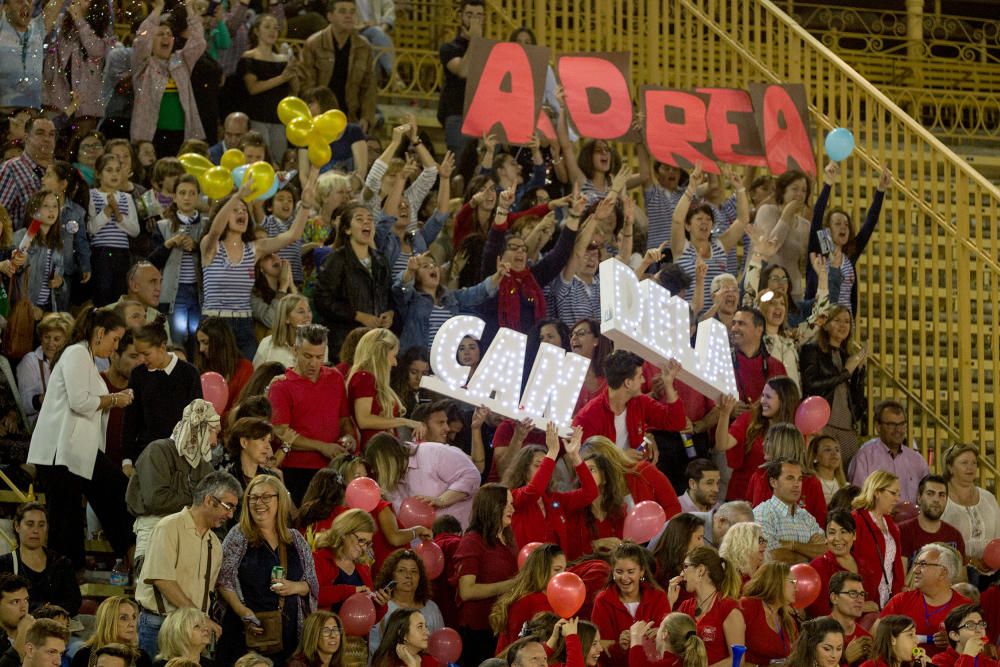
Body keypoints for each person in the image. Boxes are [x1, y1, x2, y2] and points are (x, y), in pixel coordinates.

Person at [26, 306, 134, 569]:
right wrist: (114, 399)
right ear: (99, 333)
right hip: (59, 454)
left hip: (78, 453)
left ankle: (128, 552)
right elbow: (79, 402)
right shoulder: (76, 352)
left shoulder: (85, 356)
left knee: (116, 493)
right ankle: (67, 580)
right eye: (115, 338)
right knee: (66, 524)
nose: (115, 345)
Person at [199, 174, 311, 361]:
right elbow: (215, 230)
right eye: (235, 210)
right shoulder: (211, 246)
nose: (242, 213)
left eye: (244, 210)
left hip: (244, 323)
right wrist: (237, 196)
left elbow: (292, 236)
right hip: (214, 324)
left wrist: (306, 206)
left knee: (250, 378)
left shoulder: (254, 249)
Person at [134, 471, 239, 658]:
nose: (230, 515)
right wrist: (201, 618)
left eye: (233, 509)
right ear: (209, 500)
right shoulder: (168, 527)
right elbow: (162, 580)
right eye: (228, 506)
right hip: (160, 623)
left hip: (194, 631)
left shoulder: (214, 544)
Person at [217, 475, 318, 665]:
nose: (258, 503)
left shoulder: (295, 539)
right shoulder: (238, 535)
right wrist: (243, 612)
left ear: (279, 500)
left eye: (266, 497)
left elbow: (311, 585)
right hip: (245, 637)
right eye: (253, 497)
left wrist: (293, 587)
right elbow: (223, 579)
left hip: (288, 641)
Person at [125, 399, 219, 562]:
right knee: (151, 587)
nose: (214, 442)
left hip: (192, 536)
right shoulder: (158, 451)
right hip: (154, 532)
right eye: (212, 431)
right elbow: (156, 500)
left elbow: (213, 507)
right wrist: (198, 501)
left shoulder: (205, 467)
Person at [268, 324, 354, 503]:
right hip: (296, 469)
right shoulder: (281, 387)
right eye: (307, 356)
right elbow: (281, 433)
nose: (313, 363)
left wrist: (350, 438)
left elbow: (344, 419)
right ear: (295, 350)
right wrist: (322, 446)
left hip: (333, 467)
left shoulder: (335, 378)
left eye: (319, 357)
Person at [573, 351, 685, 461]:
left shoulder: (640, 401)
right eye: (640, 376)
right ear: (628, 383)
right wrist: (620, 456)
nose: (644, 380)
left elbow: (676, 422)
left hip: (635, 471)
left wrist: (668, 384)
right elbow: (582, 458)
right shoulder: (588, 416)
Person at [122, 316, 202, 464]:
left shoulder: (189, 373)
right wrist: (127, 460)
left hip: (180, 457)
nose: (142, 359)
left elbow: (196, 420)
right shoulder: (138, 374)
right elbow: (131, 420)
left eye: (146, 354)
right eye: (138, 354)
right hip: (147, 455)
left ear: (162, 347)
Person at [503, 424, 596, 552]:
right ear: (523, 470)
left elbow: (590, 493)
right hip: (528, 569)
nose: (545, 469)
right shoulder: (514, 497)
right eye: (538, 465)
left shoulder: (554, 500)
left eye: (547, 464)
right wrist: (552, 452)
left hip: (557, 568)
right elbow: (534, 491)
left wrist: (575, 456)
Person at [314, 204, 393, 354]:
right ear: (347, 229)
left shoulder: (381, 261)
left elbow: (388, 295)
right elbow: (322, 300)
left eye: (370, 219)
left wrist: (390, 313)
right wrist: (357, 316)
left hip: (376, 343)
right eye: (359, 219)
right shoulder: (335, 260)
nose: (367, 222)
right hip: (345, 343)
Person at [453, 484, 517, 666]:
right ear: (492, 506)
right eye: (507, 504)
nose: (512, 509)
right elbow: (466, 590)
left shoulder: (507, 538)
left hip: (502, 627)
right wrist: (510, 585)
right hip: (479, 632)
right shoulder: (472, 541)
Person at [130, 0, 206, 151]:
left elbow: (199, 42)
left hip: (183, 135)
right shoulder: (143, 63)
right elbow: (142, 40)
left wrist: (190, 9)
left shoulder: (181, 61)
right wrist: (157, 9)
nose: (166, 37)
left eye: (169, 34)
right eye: (160, 34)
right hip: (151, 136)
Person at [363, 432, 481, 528]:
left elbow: (471, 475)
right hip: (431, 542)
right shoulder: (391, 483)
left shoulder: (431, 453)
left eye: (376, 467)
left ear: (386, 461)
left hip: (462, 531)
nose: (374, 472)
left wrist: (442, 499)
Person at [716, 375, 799, 501]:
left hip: (778, 500)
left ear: (784, 401)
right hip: (742, 497)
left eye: (768, 397)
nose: (762, 401)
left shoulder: (796, 428)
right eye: (763, 395)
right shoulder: (749, 419)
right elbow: (723, 444)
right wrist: (724, 414)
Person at [799, 305, 867, 460]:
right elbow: (811, 384)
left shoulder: (847, 355)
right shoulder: (812, 349)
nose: (843, 325)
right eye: (837, 320)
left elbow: (856, 395)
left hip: (847, 425)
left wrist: (860, 371)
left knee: (846, 477)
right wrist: (845, 373)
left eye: (847, 322)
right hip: (823, 424)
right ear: (826, 324)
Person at [881, 544, 970, 658]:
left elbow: (983, 647)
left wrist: (955, 642)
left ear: (943, 573)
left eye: (922, 564)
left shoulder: (966, 608)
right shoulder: (900, 601)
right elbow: (877, 637)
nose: (915, 570)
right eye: (916, 564)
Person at [300, 0, 376, 131]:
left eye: (352, 12)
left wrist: (366, 117)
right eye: (342, 11)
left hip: (350, 117)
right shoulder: (314, 43)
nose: (348, 16)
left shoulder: (364, 46)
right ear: (329, 16)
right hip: (320, 117)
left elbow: (369, 86)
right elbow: (307, 85)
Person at [592, 543, 670, 667]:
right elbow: (599, 651)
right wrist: (619, 646)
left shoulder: (658, 597)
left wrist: (660, 635)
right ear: (612, 572)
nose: (624, 578)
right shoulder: (602, 601)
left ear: (642, 572)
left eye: (630, 571)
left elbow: (670, 645)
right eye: (619, 572)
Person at [148, 174, 203, 348]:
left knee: (198, 338)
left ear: (198, 196)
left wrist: (196, 247)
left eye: (192, 193)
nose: (187, 197)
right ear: (175, 197)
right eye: (182, 193)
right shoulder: (163, 225)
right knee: (177, 339)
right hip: (174, 292)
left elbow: (215, 256)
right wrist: (168, 244)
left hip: (200, 292)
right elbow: (150, 262)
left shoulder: (207, 225)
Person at [348, 328, 424, 450]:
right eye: (394, 356)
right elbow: (364, 420)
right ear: (381, 353)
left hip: (383, 449)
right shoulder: (364, 378)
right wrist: (404, 422)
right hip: (372, 451)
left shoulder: (372, 379)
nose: (395, 363)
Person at [669, 546, 745, 667]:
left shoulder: (728, 608)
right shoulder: (685, 606)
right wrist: (669, 603)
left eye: (685, 567)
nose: (681, 574)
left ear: (700, 570)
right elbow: (667, 645)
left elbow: (738, 660)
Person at [0, 503, 79, 616]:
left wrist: (51, 612)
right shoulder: (4, 564)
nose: (36, 530)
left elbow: (74, 602)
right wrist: (43, 610)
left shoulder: (61, 563)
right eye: (30, 524)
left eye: (41, 525)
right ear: (17, 526)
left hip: (57, 627)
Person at [238, 15, 298, 163]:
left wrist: (293, 70)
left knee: (279, 159)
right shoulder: (249, 57)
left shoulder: (283, 59)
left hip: (279, 118)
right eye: (267, 27)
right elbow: (253, 88)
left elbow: (295, 90)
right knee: (260, 159)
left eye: (275, 27)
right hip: (258, 115)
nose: (272, 31)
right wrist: (282, 78)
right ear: (257, 31)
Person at [848, 400, 928, 505]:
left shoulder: (917, 460)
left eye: (902, 424)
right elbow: (858, 499)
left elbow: (927, 498)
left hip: (912, 520)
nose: (898, 430)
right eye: (891, 425)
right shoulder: (864, 457)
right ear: (878, 427)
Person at [488, 543, 562, 653]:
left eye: (564, 569)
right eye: (557, 570)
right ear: (540, 570)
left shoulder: (556, 597)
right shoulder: (527, 601)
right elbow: (518, 648)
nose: (562, 575)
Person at [806, 510, 880, 619]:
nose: (837, 538)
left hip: (865, 630)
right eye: (832, 532)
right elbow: (818, 612)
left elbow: (875, 605)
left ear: (854, 535)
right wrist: (860, 607)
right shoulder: (817, 568)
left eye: (843, 531)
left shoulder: (866, 566)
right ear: (826, 538)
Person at [312, 509, 386, 614]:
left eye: (367, 543)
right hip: (327, 629)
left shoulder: (363, 566)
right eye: (361, 540)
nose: (364, 548)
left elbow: (369, 617)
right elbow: (314, 595)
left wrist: (379, 605)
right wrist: (351, 591)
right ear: (344, 533)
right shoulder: (319, 559)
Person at [752, 458, 826, 564]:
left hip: (808, 579)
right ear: (773, 482)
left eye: (799, 479)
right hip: (779, 580)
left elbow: (826, 551)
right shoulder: (763, 514)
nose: (797, 484)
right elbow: (773, 557)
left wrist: (793, 545)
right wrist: (809, 552)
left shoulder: (805, 516)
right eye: (790, 478)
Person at [370, 550, 444, 654]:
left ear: (420, 577)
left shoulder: (432, 608)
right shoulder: (381, 606)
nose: (408, 575)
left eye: (414, 571)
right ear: (391, 576)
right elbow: (375, 651)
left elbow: (440, 647)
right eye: (401, 570)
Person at [940, 444, 1000, 569]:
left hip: (991, 572)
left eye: (974, 463)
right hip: (954, 572)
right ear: (950, 467)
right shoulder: (941, 498)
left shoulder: (988, 498)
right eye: (964, 462)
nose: (970, 467)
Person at [436, 0, 483, 155]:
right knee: (459, 165)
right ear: (461, 16)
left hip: (482, 116)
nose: (474, 20)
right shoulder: (449, 48)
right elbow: (463, 71)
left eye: (479, 15)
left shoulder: (489, 49)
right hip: (458, 114)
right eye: (469, 15)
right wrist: (475, 41)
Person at [851, 471, 904, 608]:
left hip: (890, 597)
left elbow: (895, 563)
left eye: (898, 494)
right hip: (865, 598)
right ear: (876, 492)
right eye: (893, 493)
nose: (897, 499)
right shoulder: (856, 520)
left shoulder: (890, 523)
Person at [16, 313, 73, 428]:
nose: (50, 343)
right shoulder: (30, 361)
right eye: (47, 337)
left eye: (56, 339)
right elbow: (23, 405)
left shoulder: (71, 360)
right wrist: (42, 399)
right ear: (41, 337)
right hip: (39, 424)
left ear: (66, 341)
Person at [0, 118, 57, 229]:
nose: (47, 139)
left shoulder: (60, 170)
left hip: (58, 243)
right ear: (26, 137)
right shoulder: (11, 169)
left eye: (51, 134)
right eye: (40, 133)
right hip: (21, 242)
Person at [898, 475, 965, 568]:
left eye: (941, 495)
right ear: (919, 498)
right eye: (930, 493)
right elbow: (902, 580)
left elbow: (961, 579)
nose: (936, 500)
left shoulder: (955, 536)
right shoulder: (902, 532)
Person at [740, 562, 798, 666]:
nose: (796, 588)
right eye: (792, 582)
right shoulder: (748, 606)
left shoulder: (789, 622)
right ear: (776, 582)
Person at [194, 317, 254, 417]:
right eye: (199, 343)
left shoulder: (245, 368)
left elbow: (243, 408)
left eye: (205, 343)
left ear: (220, 342)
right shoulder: (199, 369)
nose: (201, 349)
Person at [70, 596, 151, 667]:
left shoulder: (141, 657)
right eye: (124, 618)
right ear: (108, 622)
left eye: (134, 617)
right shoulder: (84, 656)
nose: (132, 624)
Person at [825, 571, 872, 667]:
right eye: (853, 593)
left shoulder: (866, 639)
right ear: (834, 598)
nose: (860, 600)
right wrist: (844, 659)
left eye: (862, 594)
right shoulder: (815, 633)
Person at [651, 513, 705, 591]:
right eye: (699, 538)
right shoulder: (655, 565)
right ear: (683, 537)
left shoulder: (699, 565)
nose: (702, 544)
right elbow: (642, 582)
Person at [224, 418, 280, 492]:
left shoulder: (272, 479)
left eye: (269, 441)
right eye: (262, 439)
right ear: (244, 442)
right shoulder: (226, 481)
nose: (268, 446)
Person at [370, 608, 434, 667]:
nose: (427, 633)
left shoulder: (431, 660)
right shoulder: (387, 663)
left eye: (426, 626)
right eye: (420, 627)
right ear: (403, 634)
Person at [718, 521, 766, 590]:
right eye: (759, 541)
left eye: (764, 540)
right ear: (743, 544)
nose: (764, 545)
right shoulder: (732, 578)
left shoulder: (766, 572)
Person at [811, 434, 848, 505]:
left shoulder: (846, 487)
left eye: (837, 450)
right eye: (827, 450)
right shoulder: (810, 485)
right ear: (815, 456)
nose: (834, 453)